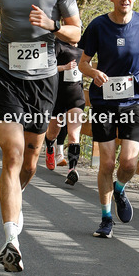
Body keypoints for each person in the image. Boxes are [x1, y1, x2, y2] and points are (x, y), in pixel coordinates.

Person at [0, 0, 81, 272]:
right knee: (12, 154)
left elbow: (76, 32)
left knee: (32, 161)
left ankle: (14, 209)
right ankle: (10, 239)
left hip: (43, 79)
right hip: (6, 74)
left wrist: (51, 25)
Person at [78, 0, 139, 239]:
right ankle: (105, 218)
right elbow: (82, 62)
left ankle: (120, 189)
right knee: (108, 161)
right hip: (103, 99)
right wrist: (93, 72)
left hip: (134, 99)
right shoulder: (98, 26)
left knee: (128, 162)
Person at [44, 38, 85, 186]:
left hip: (76, 97)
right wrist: (64, 67)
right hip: (57, 95)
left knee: (74, 135)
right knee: (53, 132)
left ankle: (72, 170)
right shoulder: (58, 45)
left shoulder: (84, 50)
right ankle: (49, 147)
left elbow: (88, 67)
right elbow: (46, 67)